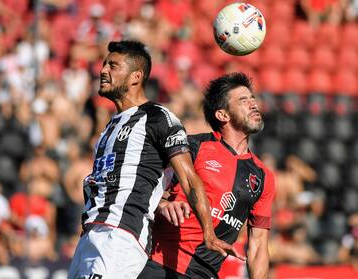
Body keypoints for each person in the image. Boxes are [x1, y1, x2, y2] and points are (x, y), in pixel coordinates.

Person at [67, 40, 244, 279]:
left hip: (120, 237)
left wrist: (209, 234)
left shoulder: (159, 118)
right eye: (104, 64)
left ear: (135, 77)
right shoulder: (109, 127)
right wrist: (161, 204)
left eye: (113, 65)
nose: (103, 71)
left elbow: (190, 180)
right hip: (90, 235)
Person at [138, 72, 275, 279]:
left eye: (253, 98)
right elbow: (140, 187)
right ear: (223, 115)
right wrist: (162, 204)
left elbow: (258, 245)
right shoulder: (192, 147)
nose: (253, 104)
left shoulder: (263, 176)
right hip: (158, 264)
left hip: (204, 274)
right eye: (243, 100)